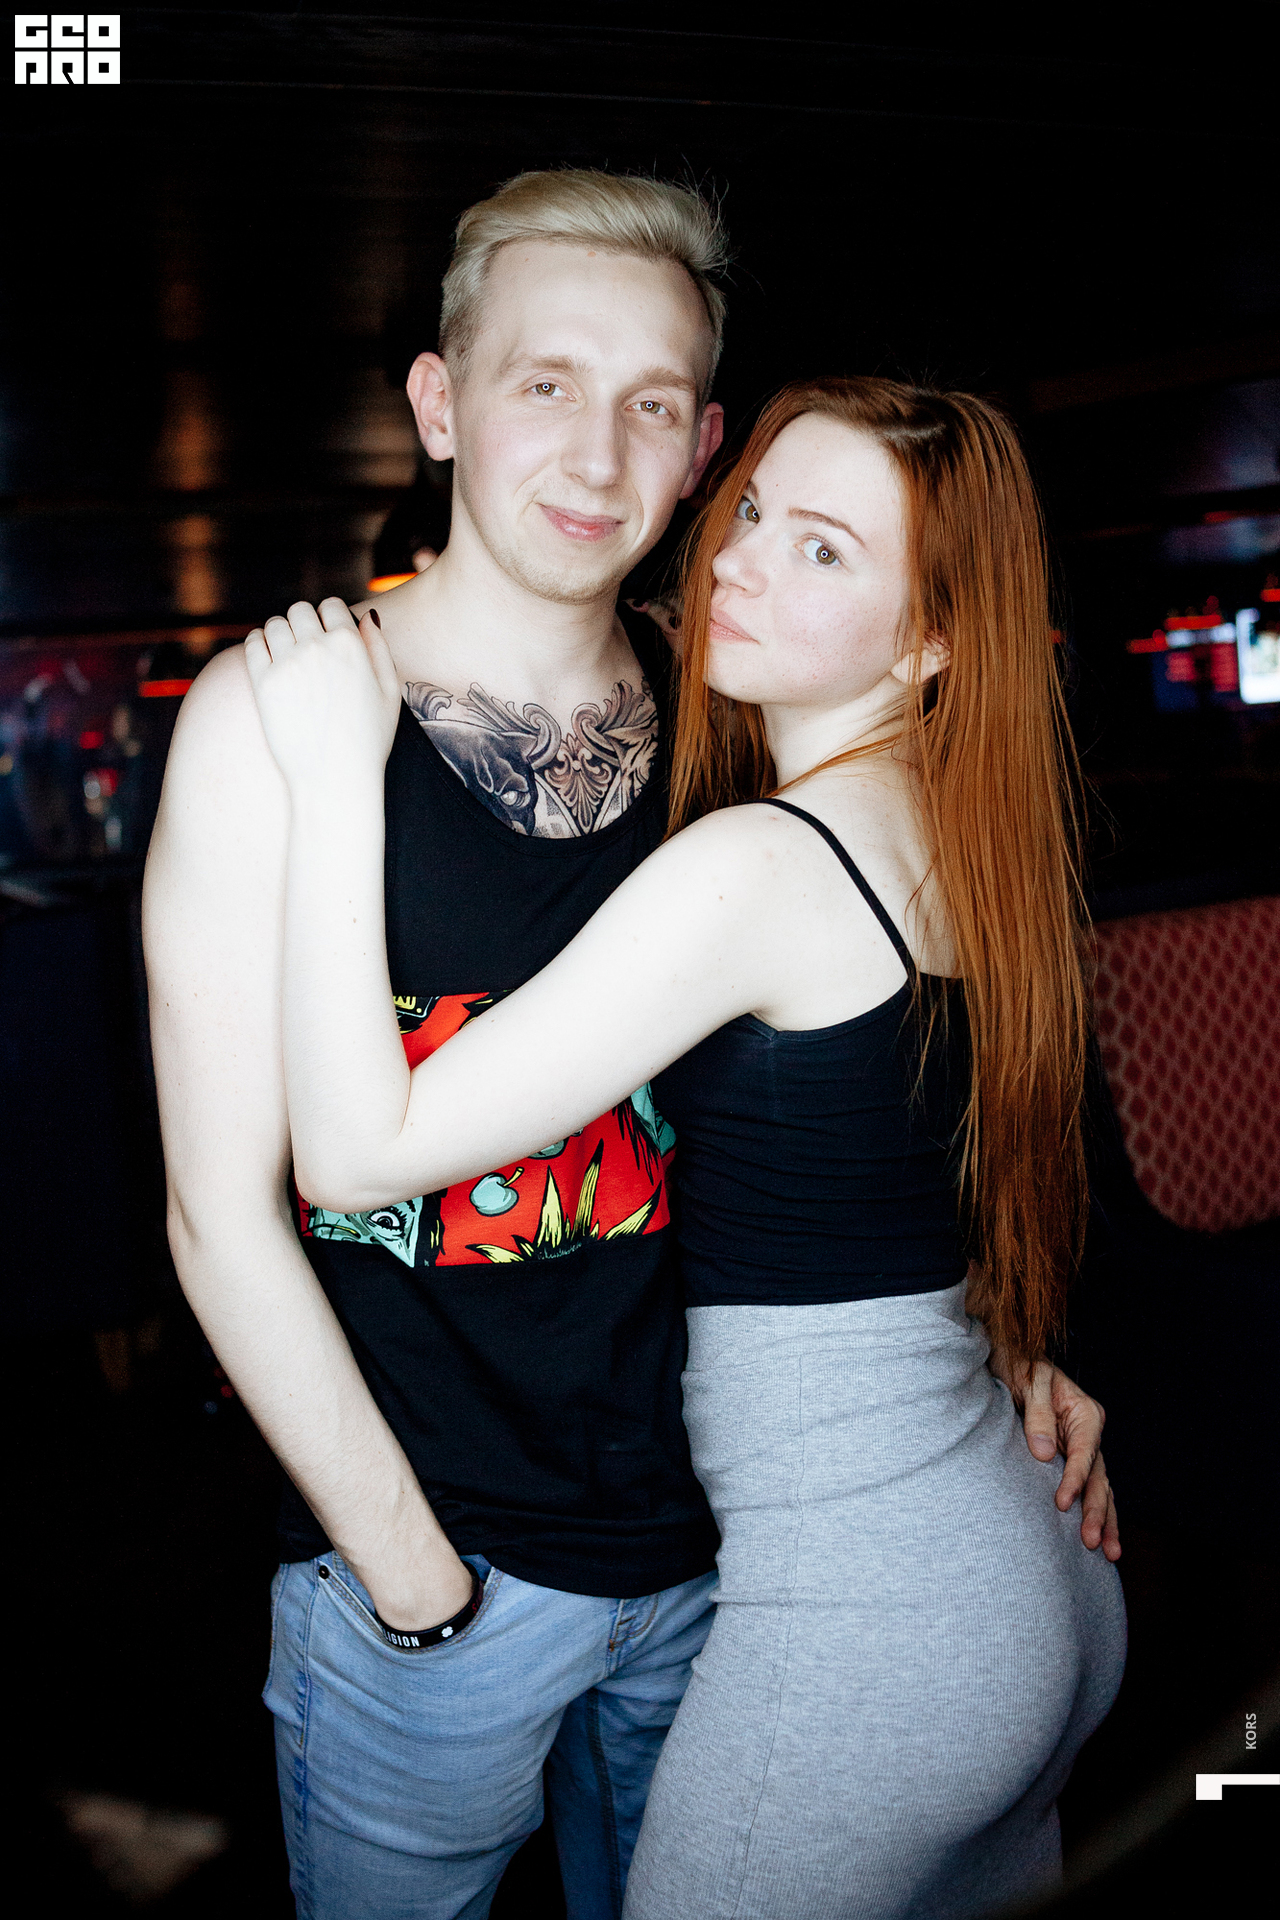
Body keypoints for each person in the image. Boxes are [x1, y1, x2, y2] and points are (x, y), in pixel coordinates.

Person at [146, 166, 1117, 1920]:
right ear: (442, 402)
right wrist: (414, 1585)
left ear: (703, 448)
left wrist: (993, 1352)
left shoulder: (732, 701)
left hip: (733, 1578)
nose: (598, 455)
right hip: (433, 1582)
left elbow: (878, 1077)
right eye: (547, 383)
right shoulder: (274, 715)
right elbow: (222, 1215)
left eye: (654, 405)